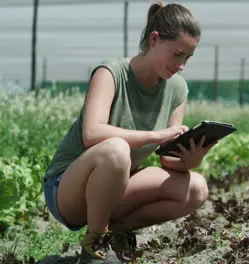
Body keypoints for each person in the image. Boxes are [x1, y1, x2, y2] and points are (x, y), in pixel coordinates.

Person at [43, 2, 213, 263]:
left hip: (116, 185)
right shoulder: (111, 72)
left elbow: (167, 158)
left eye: (187, 58)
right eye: (177, 54)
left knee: (196, 188)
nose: (181, 66)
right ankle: (94, 245)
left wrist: (191, 159)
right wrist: (153, 136)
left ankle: (117, 233)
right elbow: (92, 133)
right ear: (155, 40)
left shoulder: (177, 89)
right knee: (116, 149)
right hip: (67, 189)